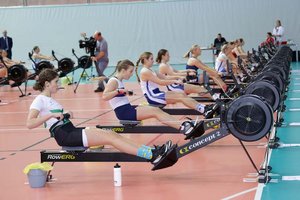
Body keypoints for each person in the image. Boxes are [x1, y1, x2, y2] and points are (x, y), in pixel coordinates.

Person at [26, 68, 174, 166]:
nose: (57, 85)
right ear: (46, 84)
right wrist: (51, 115)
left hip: (69, 130)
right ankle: (152, 155)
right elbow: (30, 123)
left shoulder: (51, 99)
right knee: (111, 138)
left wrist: (66, 114)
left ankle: (152, 152)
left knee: (112, 134)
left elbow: (58, 116)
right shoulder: (39, 99)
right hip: (65, 135)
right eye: (55, 82)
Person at [102, 59, 204, 139]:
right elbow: (105, 96)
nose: (132, 74)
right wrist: (118, 91)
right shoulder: (113, 81)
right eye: (130, 71)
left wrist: (124, 92)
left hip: (127, 109)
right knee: (155, 111)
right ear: (123, 70)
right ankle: (184, 127)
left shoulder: (118, 81)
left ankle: (183, 126)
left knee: (156, 110)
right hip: (124, 112)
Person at [136, 51, 209, 114]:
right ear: (145, 60)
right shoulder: (144, 71)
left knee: (181, 94)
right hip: (153, 96)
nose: (153, 61)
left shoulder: (151, 70)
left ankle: (203, 107)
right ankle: (202, 109)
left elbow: (165, 77)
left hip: (157, 93)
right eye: (151, 59)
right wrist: (175, 80)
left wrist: (177, 78)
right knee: (180, 97)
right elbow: (160, 82)